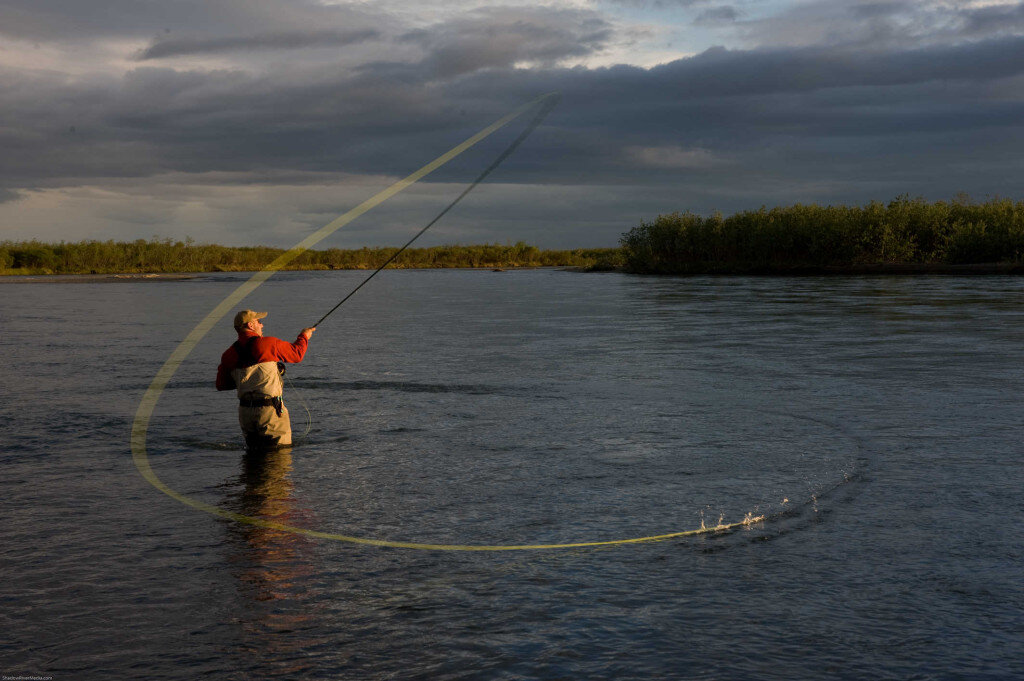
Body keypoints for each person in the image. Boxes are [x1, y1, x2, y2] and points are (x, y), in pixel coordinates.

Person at [217, 309, 315, 450]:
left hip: (245, 414)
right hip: (269, 412)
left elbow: (221, 384)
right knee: (279, 458)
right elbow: (297, 354)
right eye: (259, 322)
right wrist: (304, 336)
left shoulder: (228, 354)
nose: (262, 325)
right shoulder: (267, 343)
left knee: (252, 459)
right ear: (251, 325)